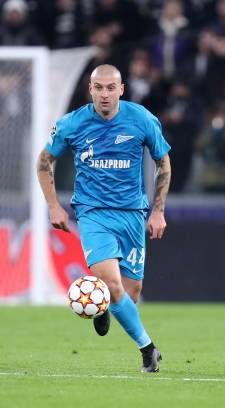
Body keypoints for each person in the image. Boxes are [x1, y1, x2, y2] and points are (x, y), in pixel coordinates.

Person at [36, 65, 171, 373]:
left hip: (132, 214)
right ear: (91, 90)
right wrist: (54, 206)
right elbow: (44, 162)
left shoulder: (142, 119)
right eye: (99, 88)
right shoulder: (72, 123)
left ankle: (102, 304)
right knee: (111, 284)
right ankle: (148, 350)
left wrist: (158, 209)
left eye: (111, 88)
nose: (105, 94)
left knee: (129, 293)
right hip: (93, 213)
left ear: (121, 89)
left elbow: (163, 163)